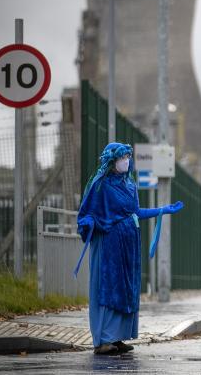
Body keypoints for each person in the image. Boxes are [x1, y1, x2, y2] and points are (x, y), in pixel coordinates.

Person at [76, 142, 184, 355]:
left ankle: (117, 337)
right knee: (107, 288)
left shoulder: (130, 185)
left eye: (128, 157)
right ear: (111, 161)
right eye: (122, 157)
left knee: (126, 289)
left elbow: (136, 212)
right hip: (108, 245)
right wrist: (87, 223)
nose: (127, 161)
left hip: (129, 247)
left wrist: (162, 210)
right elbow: (87, 212)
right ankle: (103, 339)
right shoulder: (100, 184)